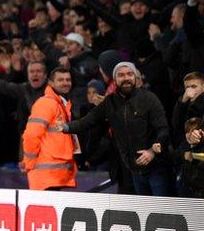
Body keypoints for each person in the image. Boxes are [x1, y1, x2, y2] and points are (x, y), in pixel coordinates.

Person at [58, 62, 173, 196]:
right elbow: (87, 121)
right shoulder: (110, 102)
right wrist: (66, 127)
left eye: (130, 74)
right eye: (121, 75)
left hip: (157, 168)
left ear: (135, 77)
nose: (126, 78)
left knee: (162, 211)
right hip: (134, 170)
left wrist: (152, 151)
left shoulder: (149, 98)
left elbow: (163, 129)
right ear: (115, 79)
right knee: (143, 211)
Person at [22, 67, 77, 190]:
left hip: (54, 175)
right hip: (45, 175)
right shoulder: (46, 103)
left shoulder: (62, 104)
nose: (65, 83)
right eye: (61, 80)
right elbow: (31, 135)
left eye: (68, 79)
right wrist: (29, 164)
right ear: (51, 83)